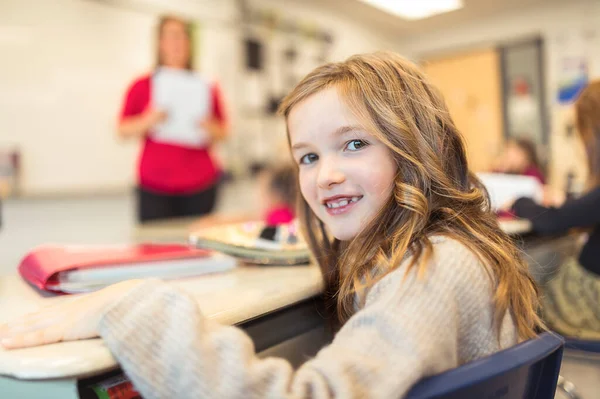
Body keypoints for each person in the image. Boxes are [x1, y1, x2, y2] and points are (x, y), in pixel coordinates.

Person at [0, 52, 542, 398]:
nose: (325, 175)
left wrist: (134, 305)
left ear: (416, 145)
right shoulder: (453, 249)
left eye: (353, 144)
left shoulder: (431, 270)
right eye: (307, 157)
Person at [511, 80, 600, 339]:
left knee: (520, 293)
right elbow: (586, 208)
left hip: (588, 298)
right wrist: (568, 202)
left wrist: (520, 202)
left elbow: (550, 222)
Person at [118, 15, 228, 223]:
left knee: (197, 249)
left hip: (200, 182)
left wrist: (208, 126)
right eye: (171, 37)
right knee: (155, 248)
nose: (177, 44)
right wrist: (148, 120)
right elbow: (121, 130)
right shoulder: (142, 85)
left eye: (182, 37)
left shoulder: (206, 86)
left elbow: (224, 132)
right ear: (160, 42)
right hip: (155, 183)